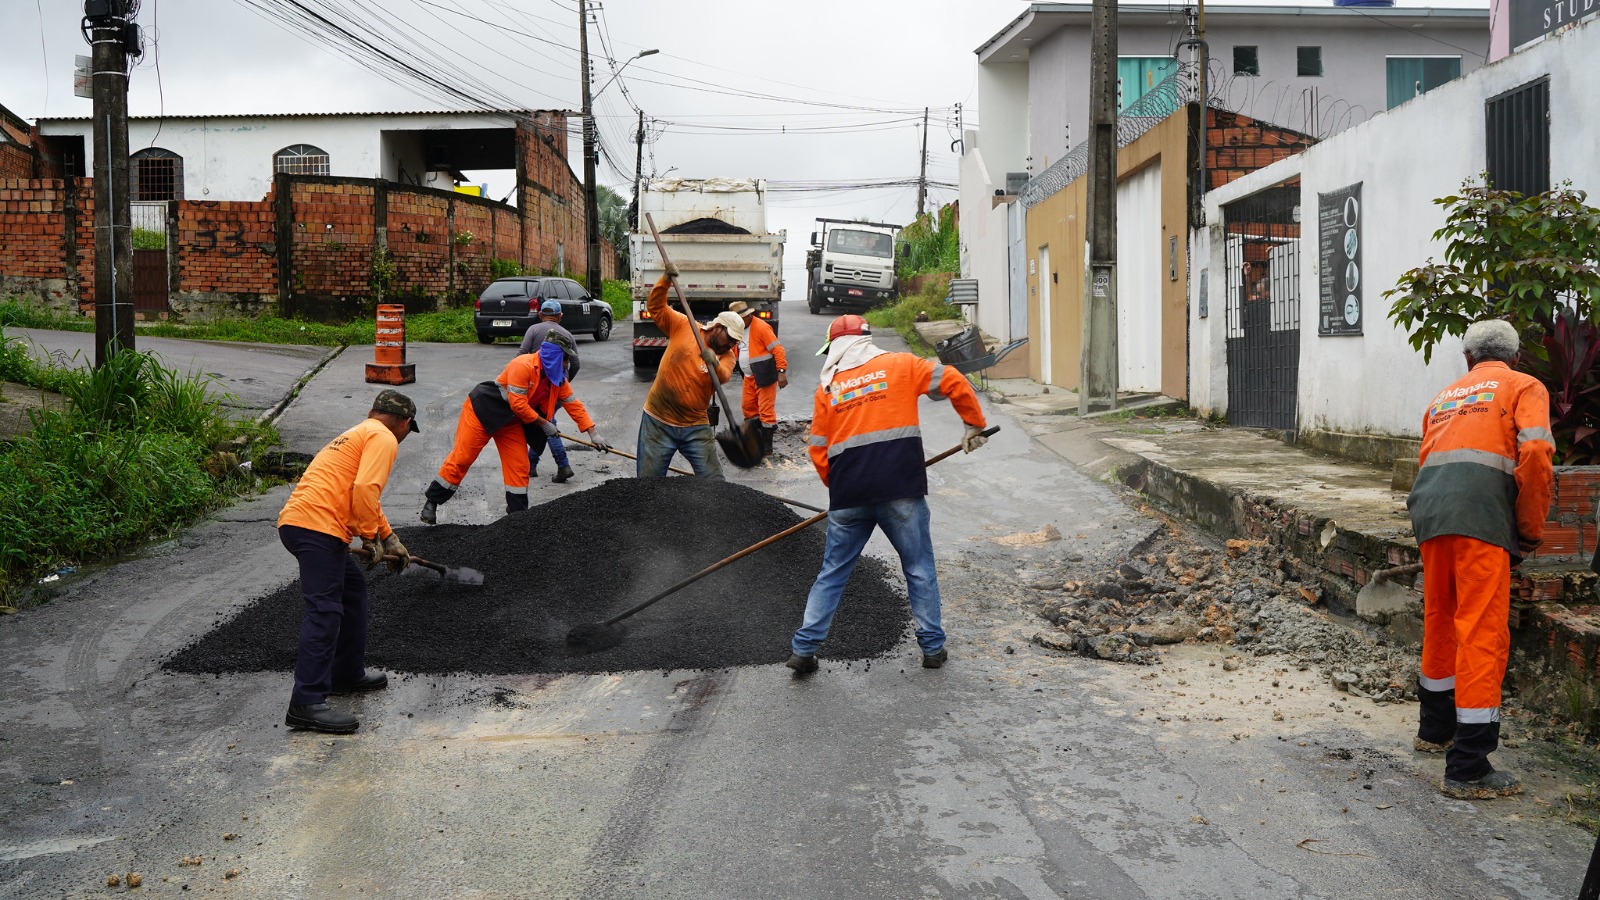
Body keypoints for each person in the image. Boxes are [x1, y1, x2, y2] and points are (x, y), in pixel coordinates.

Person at [786, 315, 988, 676]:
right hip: (900, 490)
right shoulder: (901, 365)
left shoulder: (828, 387)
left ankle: (803, 650)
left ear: (836, 348)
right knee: (918, 568)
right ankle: (932, 648)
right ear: (866, 340)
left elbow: (818, 447)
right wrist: (974, 424)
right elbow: (953, 378)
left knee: (832, 572)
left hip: (849, 494)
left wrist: (842, 488)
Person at [1407, 319, 1553, 799]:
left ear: (1467, 358)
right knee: (1482, 631)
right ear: (1514, 358)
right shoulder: (1524, 386)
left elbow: (1429, 457)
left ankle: (1435, 730)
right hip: (1482, 520)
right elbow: (1534, 453)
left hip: (1431, 513)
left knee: (1441, 619)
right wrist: (1530, 530)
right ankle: (1468, 766)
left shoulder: (1446, 396)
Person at [276, 389, 419, 734]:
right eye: (407, 429)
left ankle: (345, 673)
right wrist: (369, 537)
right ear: (404, 423)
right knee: (325, 611)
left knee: (352, 593)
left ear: (373, 411)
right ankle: (306, 702)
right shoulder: (384, 437)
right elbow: (366, 489)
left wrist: (389, 538)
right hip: (316, 528)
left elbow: (358, 490)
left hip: (307, 524)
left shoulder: (360, 432)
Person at [421, 340, 608, 523]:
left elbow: (574, 404)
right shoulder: (523, 365)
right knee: (463, 457)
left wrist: (593, 433)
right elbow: (518, 404)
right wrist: (544, 423)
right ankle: (432, 502)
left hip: (510, 422)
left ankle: (517, 517)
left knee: (519, 465)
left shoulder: (557, 379)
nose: (567, 364)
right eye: (565, 359)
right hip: (483, 410)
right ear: (553, 356)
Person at [637, 269, 745, 478]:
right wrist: (665, 281)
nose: (732, 344)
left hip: (695, 427)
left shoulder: (727, 356)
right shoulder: (684, 326)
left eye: (735, 341)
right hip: (658, 421)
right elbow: (656, 307)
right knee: (648, 486)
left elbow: (723, 376)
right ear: (717, 327)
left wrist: (713, 361)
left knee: (715, 485)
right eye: (730, 338)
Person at [730, 300, 788, 457]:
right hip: (749, 377)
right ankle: (755, 443)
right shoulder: (737, 330)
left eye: (741, 318)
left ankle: (767, 449)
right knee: (748, 408)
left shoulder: (761, 327)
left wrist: (781, 371)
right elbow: (734, 350)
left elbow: (778, 349)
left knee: (766, 412)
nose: (739, 321)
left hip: (764, 376)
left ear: (748, 316)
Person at [518, 298, 580, 380]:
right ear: (560, 316)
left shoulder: (533, 330)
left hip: (537, 379)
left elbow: (520, 355)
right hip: (560, 381)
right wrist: (567, 380)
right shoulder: (568, 335)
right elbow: (575, 364)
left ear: (540, 315)